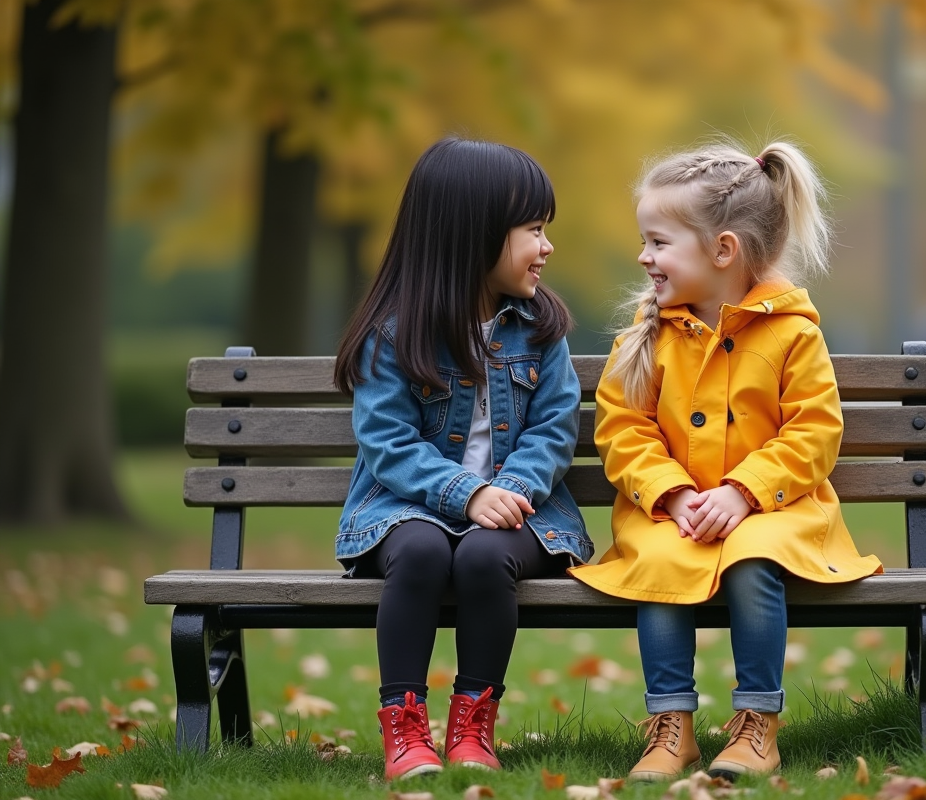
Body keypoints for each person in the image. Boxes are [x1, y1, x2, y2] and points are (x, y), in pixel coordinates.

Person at [570, 140, 882, 782]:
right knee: (658, 560)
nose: (644, 257)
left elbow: (814, 431)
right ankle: (670, 727)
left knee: (751, 558)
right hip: (673, 513)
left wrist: (743, 492)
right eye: (645, 241)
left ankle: (756, 724)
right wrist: (673, 495)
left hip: (774, 510)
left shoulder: (793, 334)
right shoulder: (648, 335)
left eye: (658, 242)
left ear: (722, 251)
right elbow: (623, 427)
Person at [333, 137, 592, 781]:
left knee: (483, 554)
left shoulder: (540, 328)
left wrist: (509, 490)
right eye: (533, 229)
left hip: (524, 511)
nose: (546, 246)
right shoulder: (394, 334)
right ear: (472, 235)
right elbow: (388, 443)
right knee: (422, 551)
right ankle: (405, 729)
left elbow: (554, 428)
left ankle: (473, 723)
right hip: (405, 509)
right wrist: (464, 494)